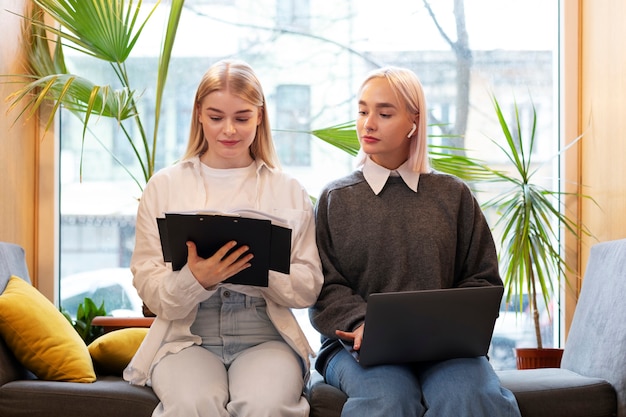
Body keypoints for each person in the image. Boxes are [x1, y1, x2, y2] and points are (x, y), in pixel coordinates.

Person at [309, 66, 522, 417]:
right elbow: (324, 285)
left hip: (447, 350)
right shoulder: (336, 198)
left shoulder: (454, 195)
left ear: (414, 120)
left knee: (468, 396)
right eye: (362, 111)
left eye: (384, 113)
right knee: (388, 398)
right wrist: (363, 325)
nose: (368, 123)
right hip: (353, 347)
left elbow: (482, 278)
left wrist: (450, 327)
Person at [123, 59, 323, 417]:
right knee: (193, 404)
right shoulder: (165, 186)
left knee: (266, 405)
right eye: (216, 117)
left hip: (265, 334)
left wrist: (256, 267)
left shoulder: (289, 190)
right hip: (186, 334)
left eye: (242, 118)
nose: (229, 130)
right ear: (198, 114)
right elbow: (148, 282)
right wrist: (195, 280)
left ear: (260, 116)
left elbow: (308, 287)